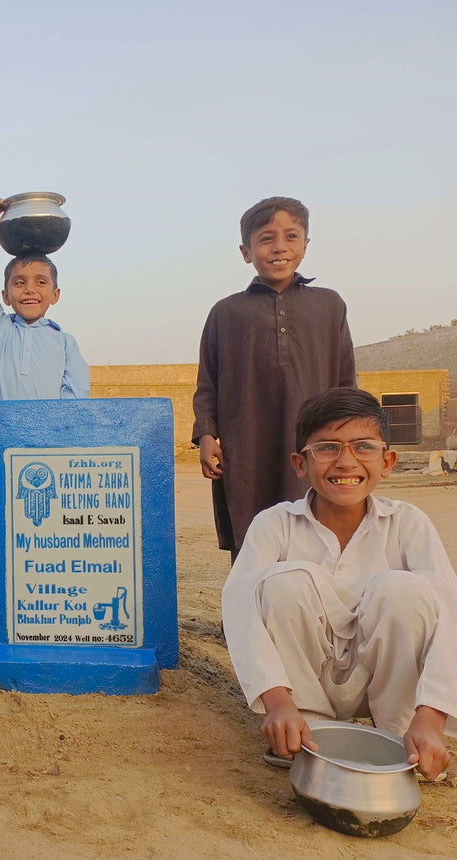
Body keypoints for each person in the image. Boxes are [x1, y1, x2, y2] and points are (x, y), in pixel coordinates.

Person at [222, 388, 456, 781]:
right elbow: (239, 606)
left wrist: (431, 716)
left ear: (388, 462)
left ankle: (401, 740)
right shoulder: (275, 524)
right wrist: (276, 702)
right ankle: (306, 731)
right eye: (328, 448)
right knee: (283, 583)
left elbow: (449, 613)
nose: (346, 461)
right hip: (304, 682)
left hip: (386, 682)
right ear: (301, 463)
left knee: (405, 591)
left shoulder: (408, 523)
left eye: (364, 447)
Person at [192, 196, 356, 558]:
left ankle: (314, 613)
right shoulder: (226, 312)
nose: (279, 247)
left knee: (318, 527)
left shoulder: (329, 305)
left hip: (315, 443)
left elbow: (346, 381)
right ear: (245, 251)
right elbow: (208, 384)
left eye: (291, 236)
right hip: (246, 443)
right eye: (266, 238)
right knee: (253, 533)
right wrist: (206, 435)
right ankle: (247, 613)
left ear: (305, 245)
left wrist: (350, 438)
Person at [0, 198, 90, 400]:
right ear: (6, 296)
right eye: (19, 283)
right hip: (2, 431)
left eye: (40, 282)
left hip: (47, 431)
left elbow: (77, 396)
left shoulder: (65, 343)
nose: (29, 290)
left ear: (55, 295)